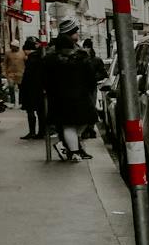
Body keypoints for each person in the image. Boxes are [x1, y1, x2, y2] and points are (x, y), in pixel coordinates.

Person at [41, 20, 101, 160]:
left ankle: (73, 148)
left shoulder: (51, 58)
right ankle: (73, 149)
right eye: (74, 32)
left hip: (59, 96)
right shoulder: (81, 56)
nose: (77, 35)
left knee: (68, 125)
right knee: (77, 123)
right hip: (79, 95)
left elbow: (45, 78)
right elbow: (90, 77)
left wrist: (48, 90)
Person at [19, 37, 46, 139]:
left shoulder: (31, 59)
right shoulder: (40, 57)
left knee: (30, 111)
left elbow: (28, 77)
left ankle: (32, 132)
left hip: (30, 89)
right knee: (40, 112)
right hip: (39, 89)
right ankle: (41, 132)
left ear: (27, 49)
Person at [2, 40, 26, 106]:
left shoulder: (22, 53)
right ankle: (12, 102)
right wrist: (4, 71)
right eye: (11, 46)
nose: (12, 47)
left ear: (17, 47)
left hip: (20, 73)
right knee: (11, 87)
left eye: (13, 46)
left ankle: (21, 102)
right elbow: (4, 63)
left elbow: (26, 62)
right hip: (10, 73)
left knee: (21, 88)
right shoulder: (8, 53)